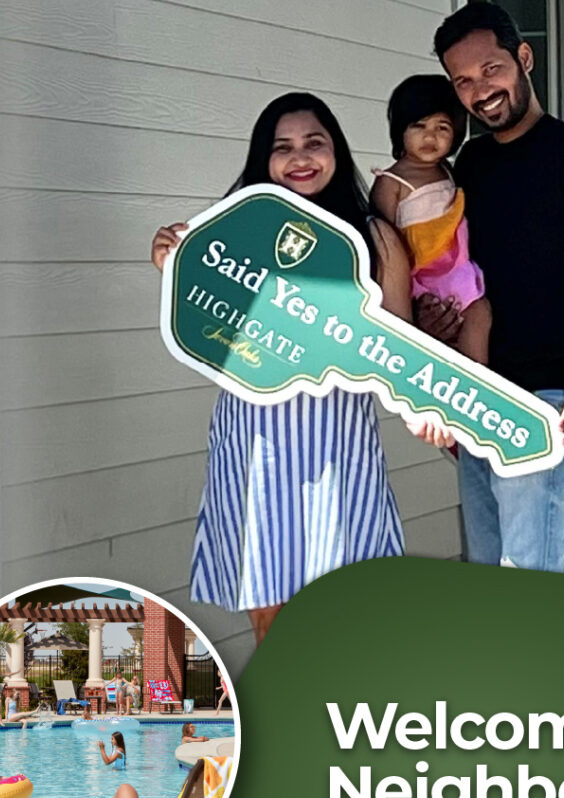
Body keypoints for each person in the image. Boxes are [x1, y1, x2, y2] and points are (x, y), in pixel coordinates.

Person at [151, 93, 411, 644]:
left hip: (338, 440)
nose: (301, 158)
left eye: (314, 143)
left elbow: (399, 352)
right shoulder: (232, 236)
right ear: (262, 160)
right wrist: (172, 263)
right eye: (283, 147)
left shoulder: (374, 238)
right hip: (253, 437)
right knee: (267, 597)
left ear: (335, 149)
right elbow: (207, 325)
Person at [417, 2, 564, 573]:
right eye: (463, 81)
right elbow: (455, 274)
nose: (480, 91)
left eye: (491, 69)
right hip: (478, 397)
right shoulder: (468, 164)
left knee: (528, 574)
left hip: (552, 401)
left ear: (524, 58)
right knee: (493, 577)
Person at [370, 74, 490, 364]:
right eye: (419, 126)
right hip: (419, 276)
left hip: (456, 269)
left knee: (480, 312)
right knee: (431, 338)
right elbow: (384, 244)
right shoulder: (392, 181)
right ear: (401, 130)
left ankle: (478, 377)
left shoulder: (450, 173)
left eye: (442, 127)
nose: (430, 136)